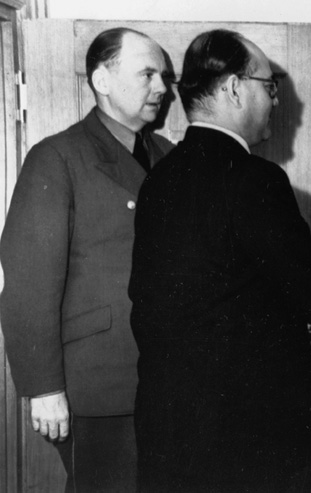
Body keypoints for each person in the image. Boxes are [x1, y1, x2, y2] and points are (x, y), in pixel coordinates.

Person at [128, 28, 311, 493]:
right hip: (244, 436)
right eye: (269, 86)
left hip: (168, 430)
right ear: (233, 88)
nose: (277, 101)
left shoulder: (158, 180)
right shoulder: (255, 179)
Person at [0, 27, 174, 492]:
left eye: (164, 76)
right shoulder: (57, 157)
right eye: (148, 73)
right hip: (97, 386)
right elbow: (28, 284)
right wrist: (43, 388)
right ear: (102, 79)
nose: (162, 88)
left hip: (169, 381)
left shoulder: (169, 157)